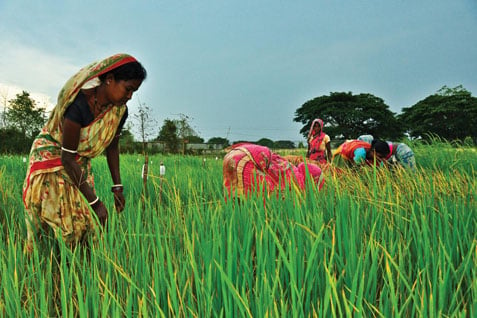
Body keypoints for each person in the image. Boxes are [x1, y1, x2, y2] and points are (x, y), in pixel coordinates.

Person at [22, 53, 147, 252]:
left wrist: (117, 187)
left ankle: (77, 270)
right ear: (109, 80)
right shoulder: (79, 105)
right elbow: (67, 158)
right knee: (62, 221)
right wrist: (96, 203)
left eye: (134, 92)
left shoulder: (119, 111)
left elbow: (112, 146)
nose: (130, 96)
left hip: (77, 164)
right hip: (53, 159)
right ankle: (45, 267)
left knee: (85, 225)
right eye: (128, 89)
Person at [223, 143, 324, 199]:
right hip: (246, 160)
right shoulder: (299, 181)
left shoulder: (290, 166)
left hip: (233, 155)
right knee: (262, 199)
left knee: (235, 197)